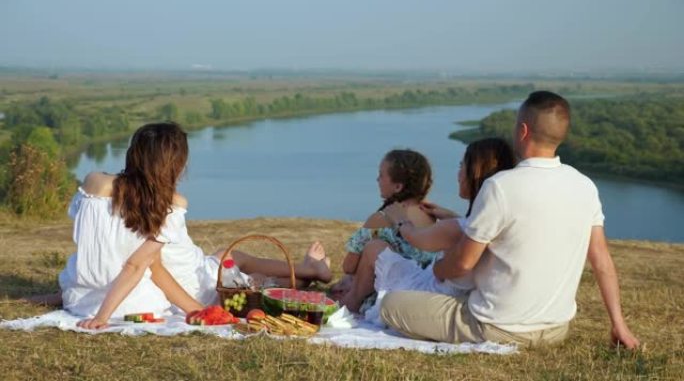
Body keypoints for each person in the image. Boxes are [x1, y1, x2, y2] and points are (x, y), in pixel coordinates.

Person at [380, 91, 640, 349]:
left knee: (390, 305)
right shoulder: (585, 186)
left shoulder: (499, 187)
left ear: (523, 131)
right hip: (555, 329)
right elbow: (601, 260)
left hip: (496, 327)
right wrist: (619, 324)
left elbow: (462, 263)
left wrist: (437, 271)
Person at [58, 122, 332, 329]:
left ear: (134, 153)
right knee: (235, 263)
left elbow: (118, 253)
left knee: (237, 270)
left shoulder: (94, 182)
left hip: (92, 294)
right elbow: (142, 266)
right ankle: (307, 271)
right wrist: (203, 311)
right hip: (177, 284)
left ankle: (306, 273)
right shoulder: (170, 203)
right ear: (176, 166)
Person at [364, 138, 516, 324]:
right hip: (464, 295)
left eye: (462, 166)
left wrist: (400, 219)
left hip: (436, 295)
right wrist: (450, 215)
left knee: (377, 254)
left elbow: (417, 238)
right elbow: (467, 227)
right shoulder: (495, 222)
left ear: (474, 173)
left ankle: (348, 303)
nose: (458, 174)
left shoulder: (454, 227)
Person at [334, 149, 438, 313]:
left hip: (384, 300)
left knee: (371, 251)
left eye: (381, 175)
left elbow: (348, 266)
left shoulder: (382, 218)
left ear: (397, 186)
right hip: (427, 295)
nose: (377, 180)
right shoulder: (434, 217)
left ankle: (350, 305)